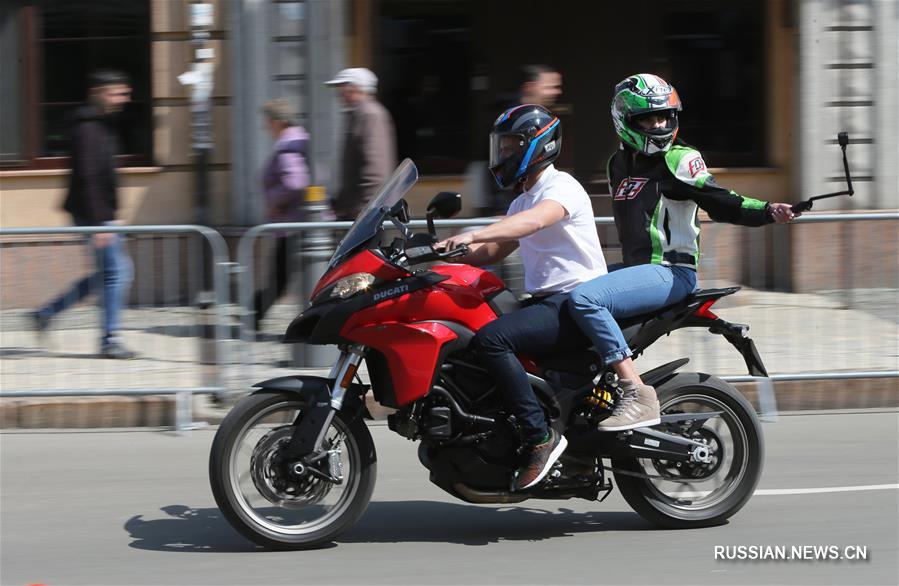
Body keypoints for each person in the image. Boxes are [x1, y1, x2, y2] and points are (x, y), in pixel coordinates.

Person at [567, 73, 799, 431]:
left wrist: (767, 210)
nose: (658, 124)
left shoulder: (680, 159)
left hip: (670, 272)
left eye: (664, 116)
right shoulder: (617, 164)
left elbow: (721, 202)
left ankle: (635, 393)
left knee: (586, 299)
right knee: (563, 294)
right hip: (637, 271)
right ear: (625, 121)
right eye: (648, 118)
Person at [437, 105, 607, 492]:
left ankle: (539, 437)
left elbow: (533, 223)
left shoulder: (561, 187)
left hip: (577, 301)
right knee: (474, 339)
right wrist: (439, 253)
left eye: (513, 146)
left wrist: (475, 234)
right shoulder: (520, 202)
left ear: (539, 146)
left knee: (492, 340)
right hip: (547, 301)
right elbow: (492, 253)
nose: (505, 155)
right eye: (503, 147)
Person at [32, 70, 136, 359]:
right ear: (99, 92)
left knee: (110, 273)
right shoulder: (88, 128)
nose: (123, 99)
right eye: (117, 93)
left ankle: (46, 313)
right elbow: (89, 177)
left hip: (99, 214)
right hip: (94, 216)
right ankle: (110, 339)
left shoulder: (101, 124)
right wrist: (101, 223)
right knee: (117, 273)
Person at [252, 98, 311, 332]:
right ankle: (255, 313)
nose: (266, 127)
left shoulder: (288, 145)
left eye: (268, 121)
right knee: (281, 278)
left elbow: (295, 182)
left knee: (280, 278)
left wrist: (274, 202)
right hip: (297, 223)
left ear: (278, 121)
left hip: (292, 224)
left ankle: (254, 315)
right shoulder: (300, 140)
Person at [325, 68, 397, 221]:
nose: (341, 94)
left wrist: (366, 208)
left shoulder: (370, 114)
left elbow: (375, 166)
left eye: (344, 88)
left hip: (366, 212)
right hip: (359, 210)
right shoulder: (359, 114)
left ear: (357, 88)